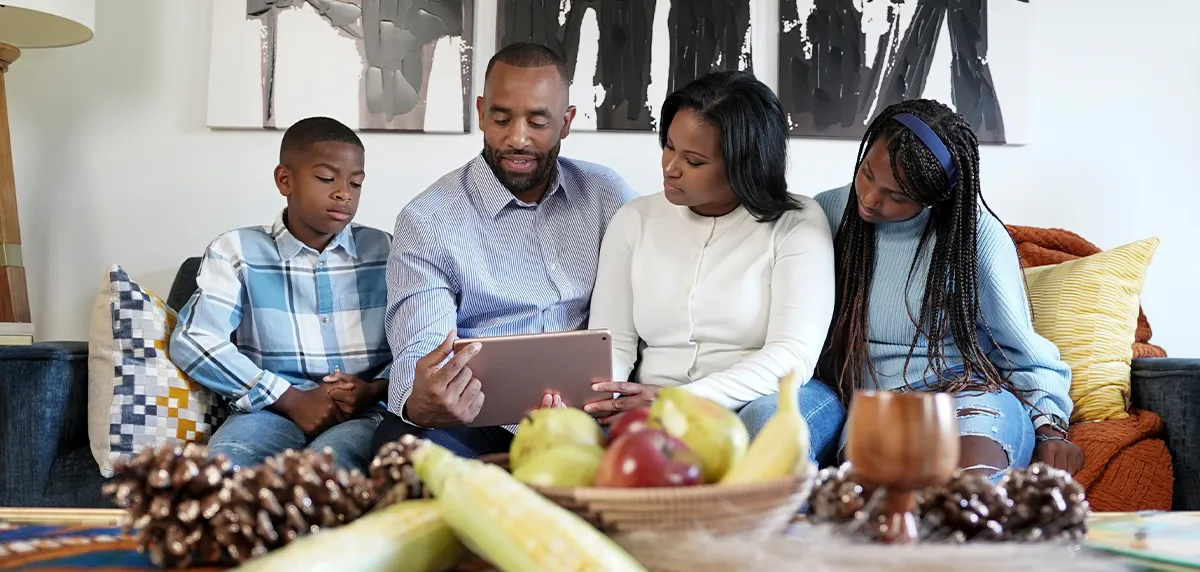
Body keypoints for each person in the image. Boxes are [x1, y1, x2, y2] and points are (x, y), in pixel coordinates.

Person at [373, 42, 638, 458]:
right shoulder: (427, 219)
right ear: (480, 112)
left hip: (589, 410)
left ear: (566, 123)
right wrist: (421, 397)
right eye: (501, 118)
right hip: (476, 416)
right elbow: (420, 347)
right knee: (409, 459)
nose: (517, 138)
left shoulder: (607, 196)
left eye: (538, 121)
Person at [812, 99, 1084, 480]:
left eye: (898, 196)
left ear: (934, 197)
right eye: (867, 173)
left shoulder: (975, 236)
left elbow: (1019, 348)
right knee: (877, 510)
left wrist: (1050, 426)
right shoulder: (827, 212)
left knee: (965, 498)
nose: (871, 198)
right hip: (876, 404)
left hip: (966, 393)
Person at [585, 70, 844, 467]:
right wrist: (603, 397)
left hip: (765, 396)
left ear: (745, 166)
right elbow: (611, 343)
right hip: (654, 397)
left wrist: (680, 400)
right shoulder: (633, 219)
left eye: (694, 160)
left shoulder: (797, 222)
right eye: (668, 146)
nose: (670, 167)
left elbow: (791, 354)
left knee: (766, 425)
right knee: (586, 429)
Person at [171, 116, 391, 472]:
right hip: (269, 409)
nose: (344, 193)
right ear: (284, 180)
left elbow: (419, 339)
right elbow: (194, 339)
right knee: (225, 466)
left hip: (364, 413)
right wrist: (288, 398)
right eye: (326, 178)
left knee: (327, 469)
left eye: (356, 183)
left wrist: (376, 388)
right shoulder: (237, 251)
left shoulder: (386, 251)